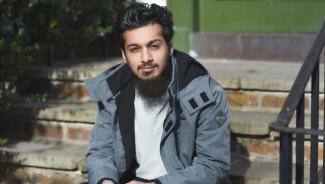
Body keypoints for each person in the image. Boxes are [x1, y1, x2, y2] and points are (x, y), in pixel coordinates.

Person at [84, 3, 231, 184]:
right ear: (124, 55)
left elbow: (212, 166)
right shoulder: (113, 91)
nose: (146, 58)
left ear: (169, 48)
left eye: (154, 46)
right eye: (135, 49)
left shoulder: (205, 94)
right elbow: (101, 152)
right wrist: (105, 180)